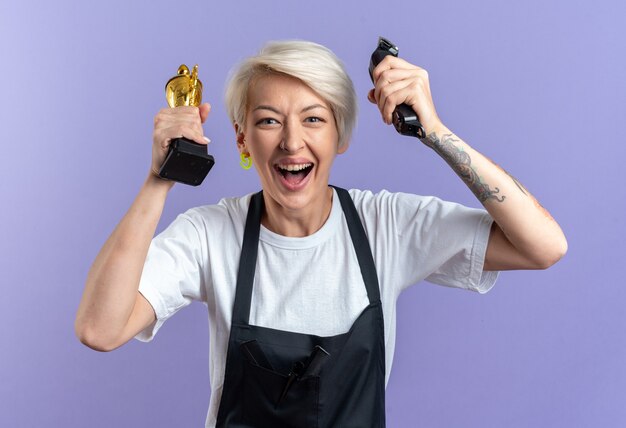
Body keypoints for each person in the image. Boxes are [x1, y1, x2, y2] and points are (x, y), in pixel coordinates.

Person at [75, 40, 567, 427]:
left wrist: (434, 130)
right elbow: (100, 329)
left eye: (314, 119)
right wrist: (159, 179)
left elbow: (544, 246)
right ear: (243, 138)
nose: (292, 141)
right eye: (269, 121)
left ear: (340, 135)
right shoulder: (210, 234)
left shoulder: (386, 227)